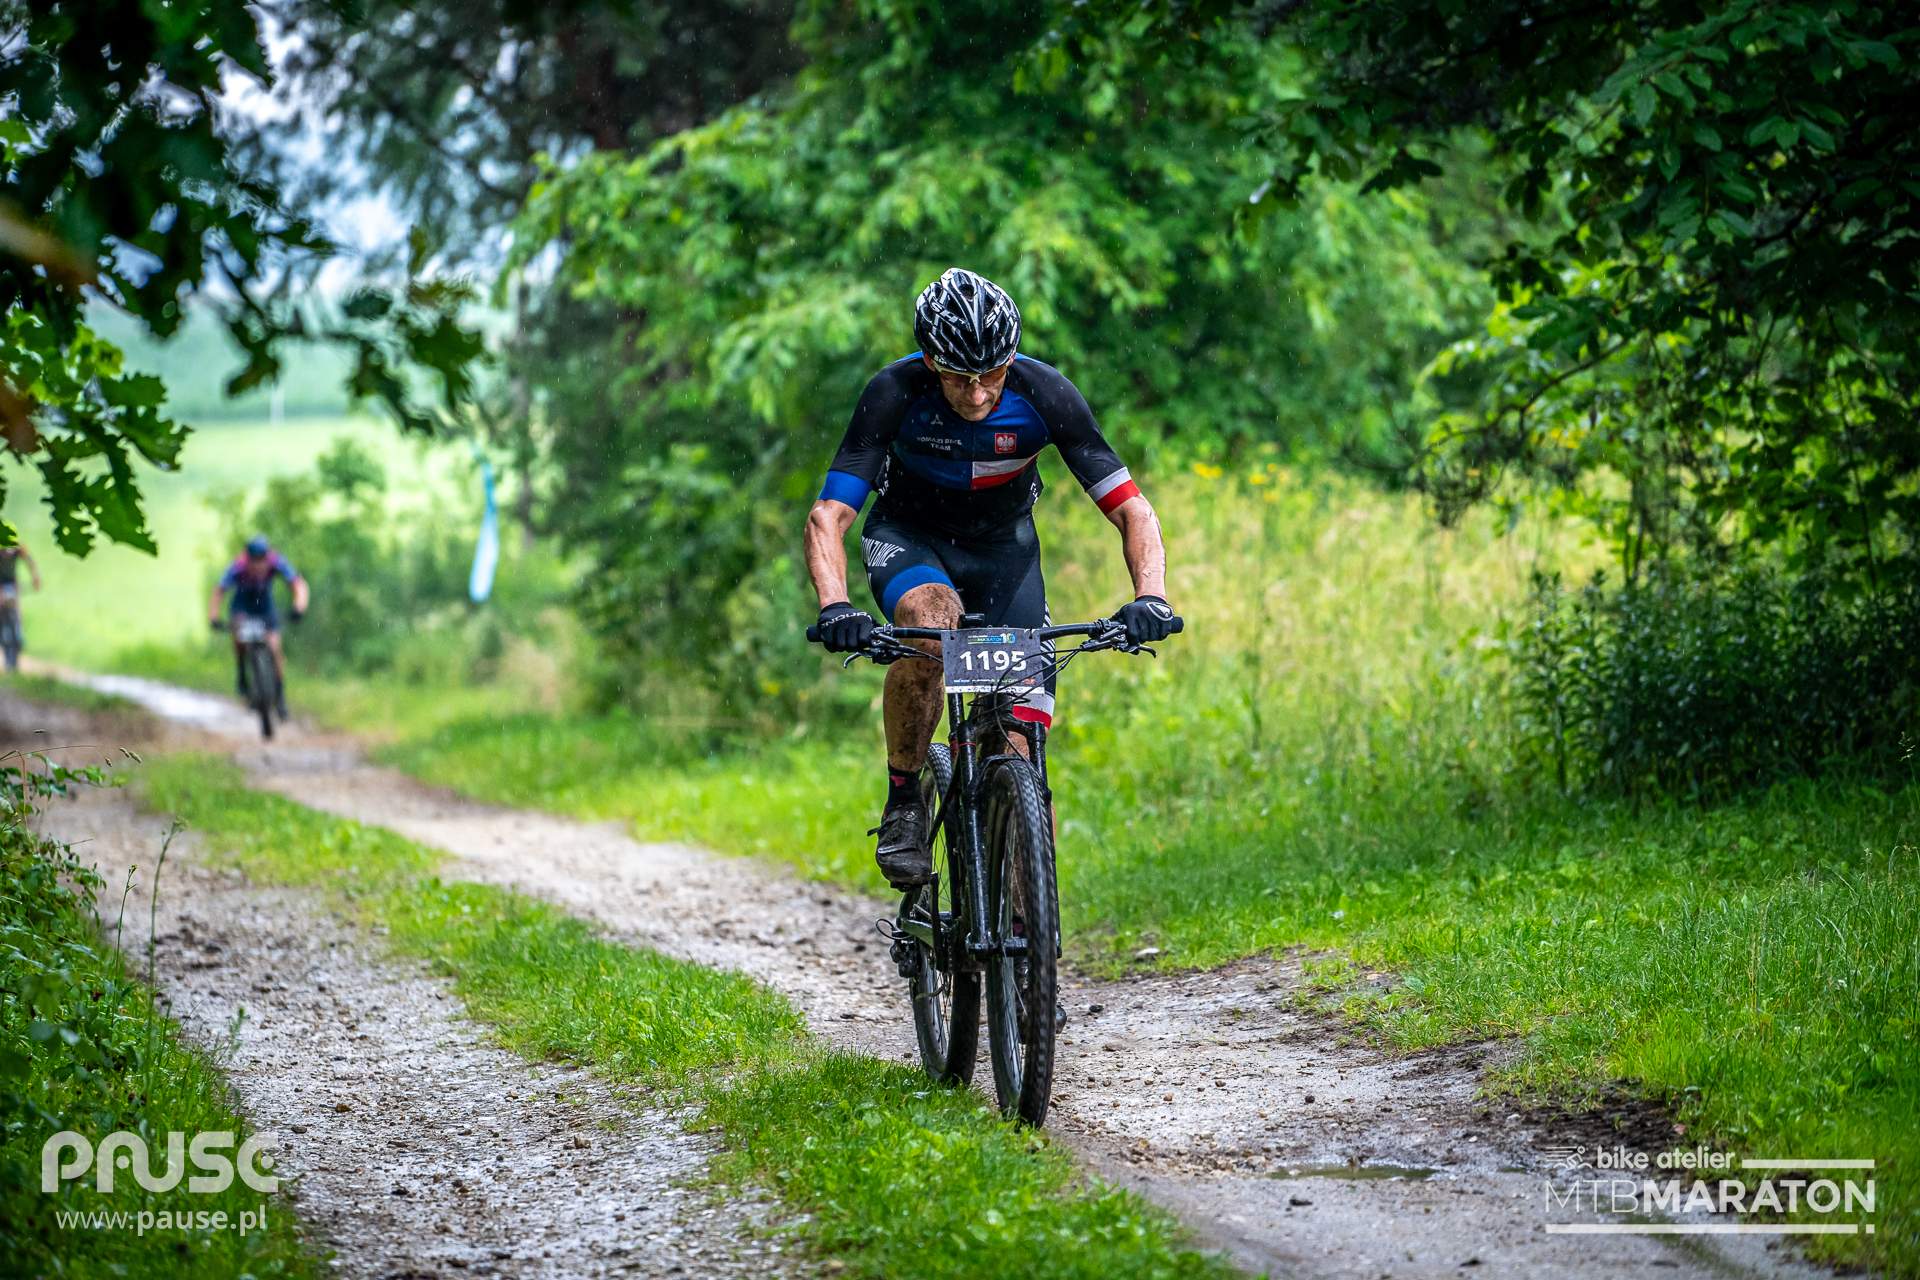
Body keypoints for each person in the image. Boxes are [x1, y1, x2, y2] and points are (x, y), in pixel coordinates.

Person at [803, 268, 1179, 889]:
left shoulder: (1046, 393)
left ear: (1011, 359)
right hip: (911, 538)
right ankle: (904, 797)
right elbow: (829, 515)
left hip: (1004, 554)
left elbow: (1132, 510)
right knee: (931, 624)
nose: (977, 394)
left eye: (992, 374)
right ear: (930, 361)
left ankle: (1027, 924)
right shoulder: (893, 392)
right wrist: (835, 605)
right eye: (958, 376)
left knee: (1021, 742)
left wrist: (1152, 597)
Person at [207, 534, 309, 718]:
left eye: (261, 560)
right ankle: (242, 673)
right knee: (239, 636)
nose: (258, 565)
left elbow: (297, 583)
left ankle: (280, 695)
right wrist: (213, 616)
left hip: (265, 607)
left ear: (266, 557)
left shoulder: (275, 562)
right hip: (242, 606)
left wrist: (299, 606)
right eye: (254, 561)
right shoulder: (238, 566)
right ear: (248, 558)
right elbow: (219, 590)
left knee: (275, 647)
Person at [0, 541, 42, 672]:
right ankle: (8, 658)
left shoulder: (17, 548)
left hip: (12, 585)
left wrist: (35, 578)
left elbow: (30, 561)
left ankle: (15, 655)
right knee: (3, 619)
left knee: (16, 617)